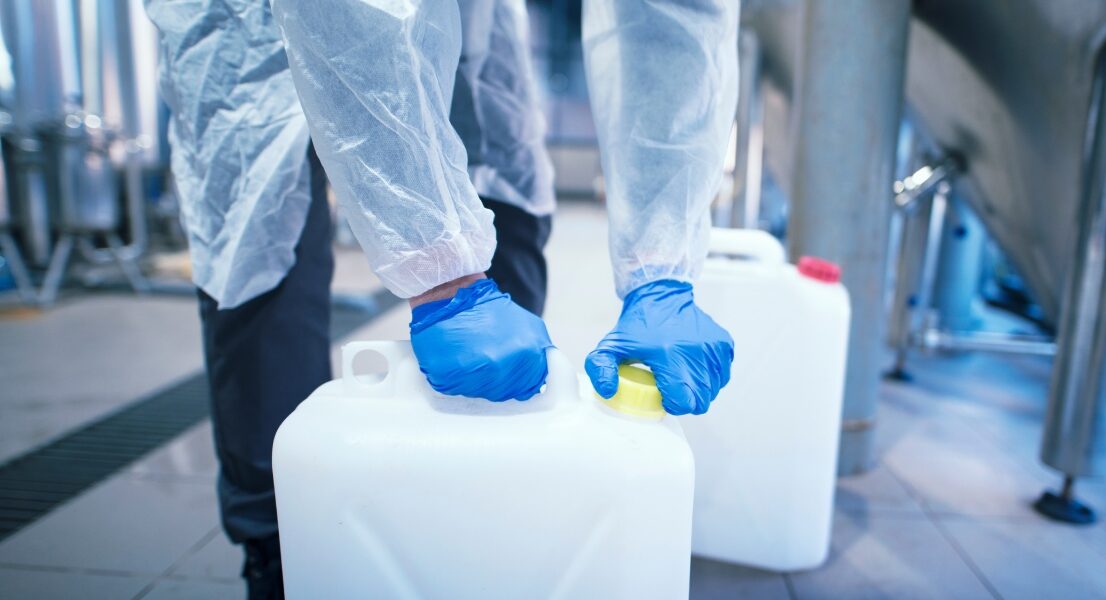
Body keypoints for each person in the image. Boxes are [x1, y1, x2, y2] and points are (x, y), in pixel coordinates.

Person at [147, 0, 737, 597]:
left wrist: (660, 270)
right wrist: (445, 282)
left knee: (503, 181)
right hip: (247, 27)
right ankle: (287, 556)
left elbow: (670, 23)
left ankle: (492, 521)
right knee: (264, 237)